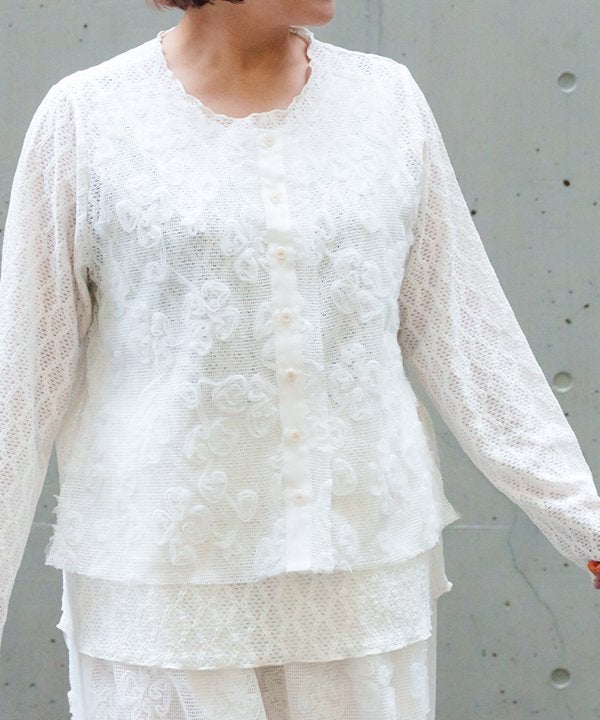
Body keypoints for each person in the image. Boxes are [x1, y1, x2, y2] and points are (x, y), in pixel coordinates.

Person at [1, 0, 599, 717]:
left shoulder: (386, 102)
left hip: (360, 577)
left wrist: (583, 520)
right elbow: (20, 386)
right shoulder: (87, 118)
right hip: (163, 583)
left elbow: (467, 335)